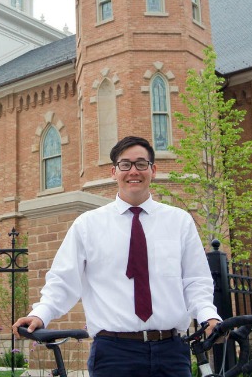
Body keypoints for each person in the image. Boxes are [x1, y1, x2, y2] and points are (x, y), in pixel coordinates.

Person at [12, 136, 220, 377]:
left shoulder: (179, 221)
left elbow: (195, 280)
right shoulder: (88, 225)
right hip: (113, 354)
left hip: (171, 352)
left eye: (141, 164)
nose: (133, 171)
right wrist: (40, 313)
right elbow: (63, 280)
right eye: (125, 165)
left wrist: (208, 316)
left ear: (153, 170)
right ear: (114, 171)